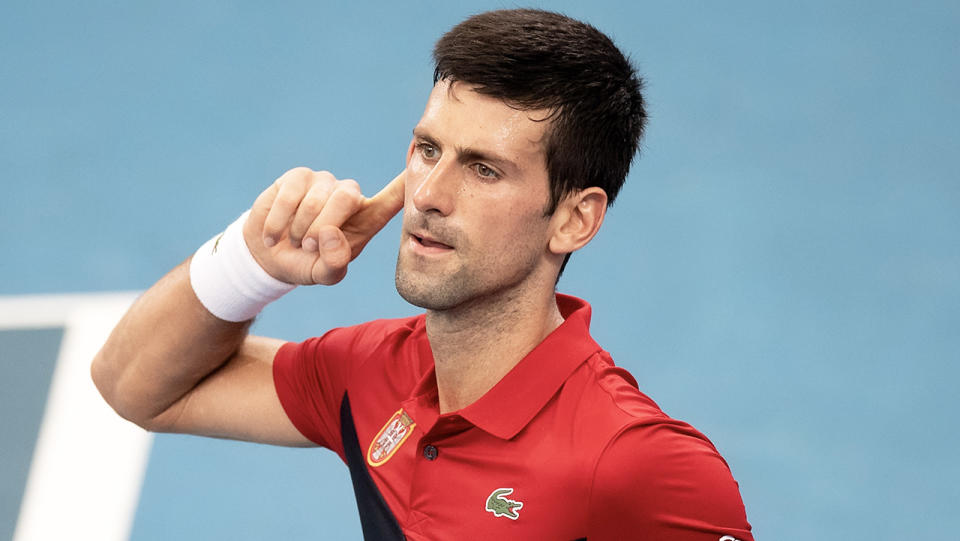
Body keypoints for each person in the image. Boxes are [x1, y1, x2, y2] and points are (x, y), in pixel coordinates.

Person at [92, 9, 753, 540]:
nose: (429, 194)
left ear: (574, 220)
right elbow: (135, 387)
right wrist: (253, 259)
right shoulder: (372, 372)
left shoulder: (641, 464)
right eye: (428, 150)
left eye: (484, 169)